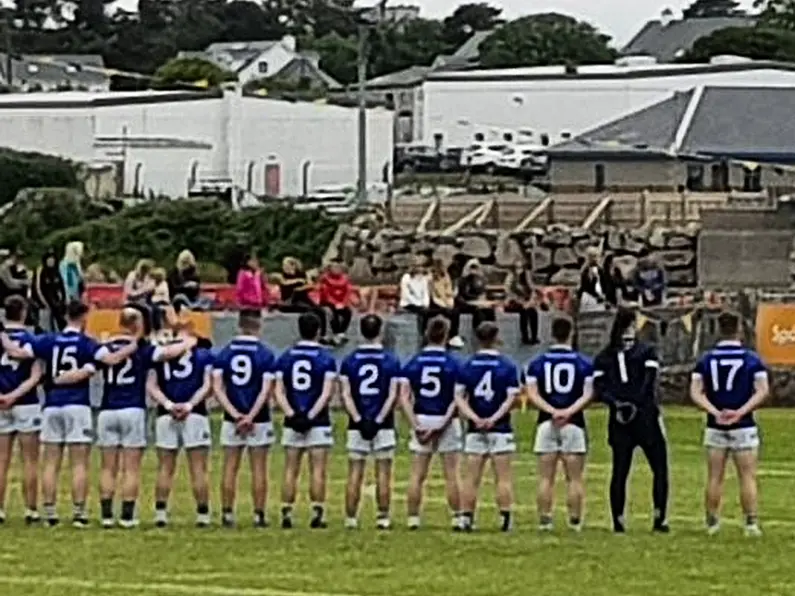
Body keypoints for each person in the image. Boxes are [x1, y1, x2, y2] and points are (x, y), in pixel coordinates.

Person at [2, 300, 137, 527]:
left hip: (52, 404)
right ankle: (79, 512)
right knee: (79, 462)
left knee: (50, 462)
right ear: (84, 317)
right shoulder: (87, 343)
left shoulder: (49, 340)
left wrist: (3, 336)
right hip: (77, 404)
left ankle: (50, 512)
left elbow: (16, 352)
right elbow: (112, 358)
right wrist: (135, 343)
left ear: (65, 316)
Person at [59, 308, 195, 528]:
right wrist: (188, 342)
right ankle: (127, 516)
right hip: (132, 409)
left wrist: (61, 379)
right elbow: (168, 353)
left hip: (107, 409)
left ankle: (106, 515)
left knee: (107, 467)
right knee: (131, 468)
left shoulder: (106, 348)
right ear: (137, 325)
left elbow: (86, 370)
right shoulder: (142, 349)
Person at [689, 310, 768, 537]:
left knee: (714, 475)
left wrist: (715, 411)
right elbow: (762, 391)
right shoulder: (752, 359)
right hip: (743, 424)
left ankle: (712, 522)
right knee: (747, 475)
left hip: (715, 425)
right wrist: (740, 411)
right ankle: (750, 523)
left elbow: (695, 392)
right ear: (740, 330)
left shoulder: (705, 360)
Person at [594, 306, 669, 534]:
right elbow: (649, 381)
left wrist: (617, 404)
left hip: (619, 418)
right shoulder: (646, 351)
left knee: (620, 469)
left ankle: (618, 519)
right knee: (659, 467)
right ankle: (659, 517)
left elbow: (600, 388)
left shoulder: (604, 355)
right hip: (644, 416)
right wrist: (636, 404)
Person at [525, 316, 595, 532]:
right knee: (574, 477)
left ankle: (545, 520)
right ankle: (574, 521)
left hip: (546, 422)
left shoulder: (537, 363)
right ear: (571, 333)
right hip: (573, 422)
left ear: (552, 334)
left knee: (546, 476)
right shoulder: (584, 362)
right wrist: (568, 411)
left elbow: (532, 393)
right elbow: (589, 393)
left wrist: (552, 411)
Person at [146, 320, 214, 528]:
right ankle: (202, 514)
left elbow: (151, 385)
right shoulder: (203, 355)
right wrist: (190, 405)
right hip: (195, 414)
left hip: (166, 414)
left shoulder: (161, 355)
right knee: (198, 468)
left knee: (165, 467)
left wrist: (168, 404)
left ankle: (160, 513)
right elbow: (207, 385)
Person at [212, 310, 276, 529]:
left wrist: (234, 413)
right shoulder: (265, 354)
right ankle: (259, 514)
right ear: (258, 325)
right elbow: (266, 390)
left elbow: (217, 388)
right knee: (259, 467)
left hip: (232, 416)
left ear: (239, 326)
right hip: (258, 417)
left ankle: (227, 513)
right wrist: (251, 415)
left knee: (230, 466)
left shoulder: (225, 353)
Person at [273, 312, 337, 529]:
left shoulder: (286, 357)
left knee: (291, 468)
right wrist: (310, 416)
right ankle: (317, 512)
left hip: (293, 418)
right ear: (318, 331)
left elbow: (279, 392)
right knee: (317, 469)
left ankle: (286, 512)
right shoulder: (326, 358)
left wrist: (291, 414)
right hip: (317, 420)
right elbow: (327, 393)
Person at [455, 322, 520, 532]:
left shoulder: (467, 365)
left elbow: (459, 397)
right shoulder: (507, 366)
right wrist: (494, 417)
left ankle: (466, 518)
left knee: (471, 477)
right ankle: (505, 518)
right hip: (500, 426)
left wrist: (474, 417)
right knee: (502, 476)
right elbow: (511, 398)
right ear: (496, 338)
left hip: (475, 427)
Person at [399, 316, 463, 531]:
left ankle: (413, 518)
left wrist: (415, 424)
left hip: (422, 416)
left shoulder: (415, 362)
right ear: (446, 335)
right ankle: (457, 517)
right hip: (446, 417)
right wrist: (443, 423)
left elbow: (404, 397)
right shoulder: (454, 363)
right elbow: (459, 398)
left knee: (417, 474)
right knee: (452, 473)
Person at [339, 314, 402, 530]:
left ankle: (351, 518)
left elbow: (345, 394)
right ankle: (383, 517)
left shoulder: (350, 360)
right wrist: (378, 420)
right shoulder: (391, 360)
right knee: (383, 471)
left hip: (357, 422)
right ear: (380, 332)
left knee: (355, 470)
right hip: (382, 422)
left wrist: (358, 419)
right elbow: (393, 395)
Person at [0, 297, 43, 524]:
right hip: (26, 402)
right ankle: (31, 509)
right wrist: (16, 395)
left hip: (1, 402)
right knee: (30, 460)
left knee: (1, 460)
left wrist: (4, 396)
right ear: (24, 312)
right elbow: (36, 376)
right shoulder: (31, 340)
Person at [276, 257, 329, 342]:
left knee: (320, 311)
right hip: (289, 301)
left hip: (303, 297)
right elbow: (285, 283)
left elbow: (311, 285)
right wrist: (299, 281)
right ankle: (307, 334)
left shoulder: (301, 274)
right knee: (308, 310)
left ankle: (322, 335)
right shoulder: (283, 276)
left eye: (286, 265)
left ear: (293, 266)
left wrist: (301, 287)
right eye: (283, 265)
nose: (284, 267)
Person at [428, 259, 463, 348]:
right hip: (435, 302)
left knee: (456, 310)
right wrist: (444, 304)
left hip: (447, 300)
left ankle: (454, 336)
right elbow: (434, 296)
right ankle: (449, 336)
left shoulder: (446, 276)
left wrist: (450, 301)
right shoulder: (430, 279)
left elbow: (449, 291)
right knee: (449, 312)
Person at [503, 260, 539, 345]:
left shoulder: (526, 275)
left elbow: (532, 289)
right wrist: (520, 302)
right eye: (517, 267)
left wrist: (531, 301)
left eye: (521, 267)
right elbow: (508, 291)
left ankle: (534, 337)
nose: (520, 269)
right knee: (524, 312)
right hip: (514, 302)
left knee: (533, 312)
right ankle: (525, 338)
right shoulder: (511, 276)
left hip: (526, 301)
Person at [317, 260, 353, 345]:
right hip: (327, 302)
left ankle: (341, 333)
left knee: (348, 312)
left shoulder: (345, 278)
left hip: (340, 302)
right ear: (330, 269)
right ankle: (334, 334)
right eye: (334, 267)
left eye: (338, 267)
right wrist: (335, 303)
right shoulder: (325, 278)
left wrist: (343, 303)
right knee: (333, 313)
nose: (336, 269)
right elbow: (326, 294)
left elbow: (348, 292)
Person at [455, 259, 495, 333]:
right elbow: (464, 294)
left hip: (479, 302)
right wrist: (476, 298)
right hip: (466, 303)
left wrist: (484, 298)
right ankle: (479, 332)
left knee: (490, 311)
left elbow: (483, 292)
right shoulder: (462, 280)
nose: (473, 270)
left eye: (475, 268)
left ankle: (491, 332)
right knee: (479, 312)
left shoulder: (481, 280)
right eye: (472, 268)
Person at [34, 249, 66, 332]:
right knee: (45, 327)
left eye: (53, 259)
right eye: (49, 259)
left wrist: (62, 300)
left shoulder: (57, 271)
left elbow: (61, 287)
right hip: (44, 304)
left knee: (59, 324)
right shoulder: (40, 271)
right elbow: (38, 288)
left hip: (56, 304)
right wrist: (44, 303)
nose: (51, 261)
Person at [399, 256, 430, 331]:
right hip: (408, 303)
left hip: (420, 304)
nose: (420, 268)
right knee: (422, 312)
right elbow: (406, 295)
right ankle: (421, 332)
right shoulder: (406, 277)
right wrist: (418, 304)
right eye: (418, 266)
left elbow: (425, 293)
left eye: (422, 266)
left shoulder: (424, 279)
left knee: (428, 311)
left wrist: (426, 303)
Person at [578, 247, 607, 312]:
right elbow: (585, 287)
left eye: (596, 256)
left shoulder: (600, 270)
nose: (595, 259)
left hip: (599, 297)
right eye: (593, 256)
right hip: (589, 298)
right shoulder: (585, 271)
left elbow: (603, 284)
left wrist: (604, 295)